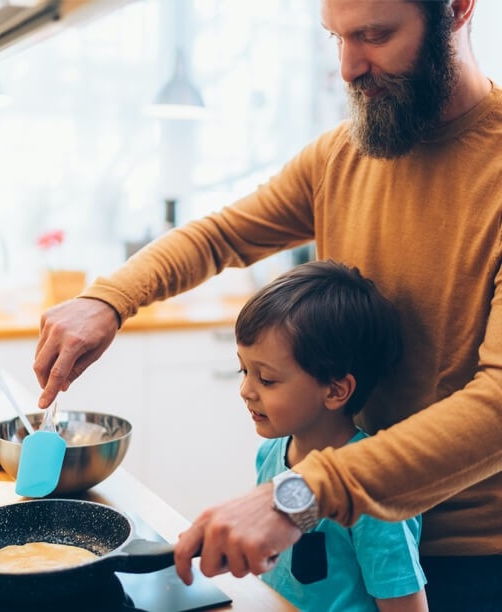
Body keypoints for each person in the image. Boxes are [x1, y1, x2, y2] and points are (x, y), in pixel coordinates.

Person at [33, 1, 502, 608]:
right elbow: (220, 235)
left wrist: (302, 491)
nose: (349, 67)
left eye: (376, 35)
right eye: (336, 38)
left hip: (466, 563)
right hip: (335, 525)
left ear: (458, 9)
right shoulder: (341, 155)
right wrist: (110, 298)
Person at [236, 260, 427, 611]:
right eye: (243, 369)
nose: (245, 390)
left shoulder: (372, 490)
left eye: (266, 378)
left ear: (336, 391)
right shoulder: (272, 453)